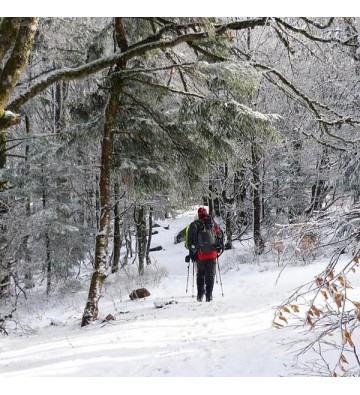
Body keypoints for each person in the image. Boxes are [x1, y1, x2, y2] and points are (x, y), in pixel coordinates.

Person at [187, 207, 224, 302]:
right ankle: (209, 296)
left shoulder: (195, 225)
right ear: (206, 213)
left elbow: (190, 241)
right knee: (210, 275)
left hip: (200, 255)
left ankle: (200, 295)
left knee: (200, 274)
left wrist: (192, 254)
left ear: (198, 215)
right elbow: (220, 235)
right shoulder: (212, 223)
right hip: (212, 254)